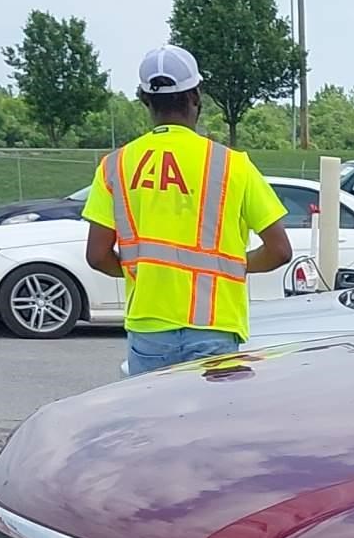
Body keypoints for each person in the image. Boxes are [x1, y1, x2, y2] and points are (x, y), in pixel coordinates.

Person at [82, 46, 295, 374]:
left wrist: (144, 274)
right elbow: (279, 251)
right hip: (215, 324)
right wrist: (235, 267)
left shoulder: (115, 166)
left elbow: (97, 256)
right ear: (196, 96)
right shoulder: (231, 165)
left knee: (153, 424)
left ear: (145, 100)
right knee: (210, 426)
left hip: (149, 325)